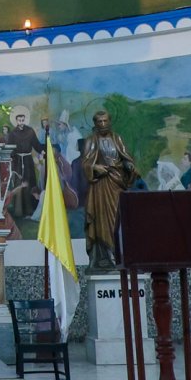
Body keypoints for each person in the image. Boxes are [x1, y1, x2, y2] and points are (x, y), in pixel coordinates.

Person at [82, 110, 140, 271]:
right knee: (101, 219)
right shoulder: (91, 140)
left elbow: (125, 157)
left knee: (118, 217)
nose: (102, 124)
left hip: (117, 184)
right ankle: (104, 258)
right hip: (100, 187)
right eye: (99, 122)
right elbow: (85, 163)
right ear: (95, 124)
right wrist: (95, 167)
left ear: (110, 121)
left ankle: (121, 255)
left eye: (105, 121)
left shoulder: (117, 139)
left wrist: (129, 165)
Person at [4, 109, 43, 218]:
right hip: (17, 161)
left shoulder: (30, 131)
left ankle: (30, 210)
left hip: (28, 160)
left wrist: (43, 150)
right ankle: (19, 211)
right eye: (19, 120)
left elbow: (36, 144)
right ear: (16, 121)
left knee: (29, 183)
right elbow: (10, 148)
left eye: (22, 120)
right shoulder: (13, 133)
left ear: (25, 120)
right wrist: (11, 159)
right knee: (19, 183)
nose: (21, 122)